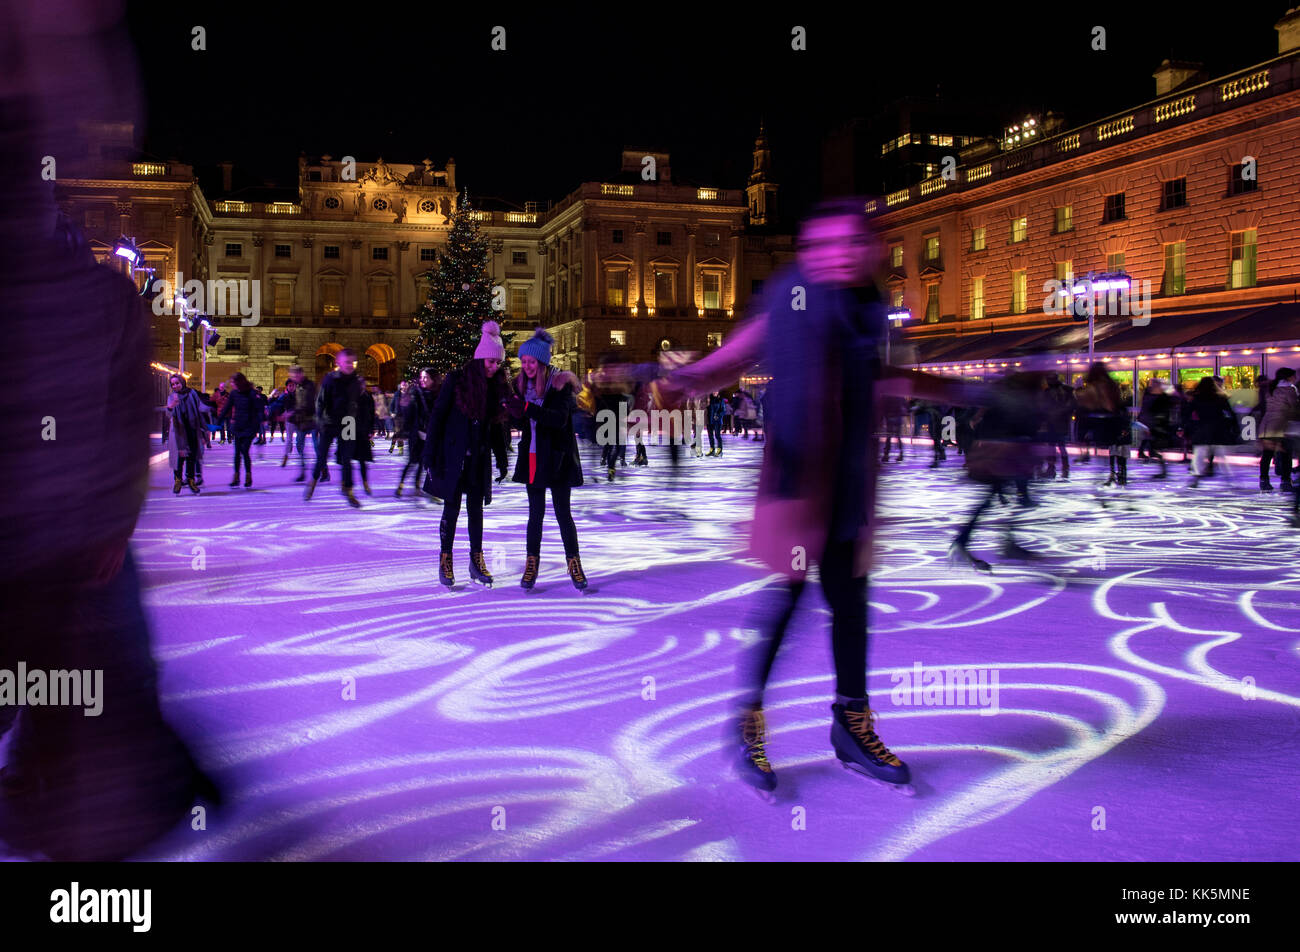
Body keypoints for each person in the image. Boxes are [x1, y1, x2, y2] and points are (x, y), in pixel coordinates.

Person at [654, 199, 968, 796]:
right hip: (799, 480)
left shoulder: (868, 305)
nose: (841, 253)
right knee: (789, 600)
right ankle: (748, 724)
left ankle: (852, 728)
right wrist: (687, 379)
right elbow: (742, 351)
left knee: (851, 606)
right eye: (827, 243)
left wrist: (970, 393)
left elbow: (888, 378)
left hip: (851, 481)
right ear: (810, 250)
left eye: (852, 242)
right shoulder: (790, 296)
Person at [425, 322, 511, 587]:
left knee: (476, 511)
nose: (493, 367)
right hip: (454, 456)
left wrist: (502, 457)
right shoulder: (457, 381)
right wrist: (430, 454)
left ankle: (476, 560)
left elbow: (496, 425)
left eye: (497, 363)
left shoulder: (495, 387)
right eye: (489, 361)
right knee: (451, 509)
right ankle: (445, 559)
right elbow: (437, 417)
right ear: (479, 358)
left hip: (479, 458)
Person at [505, 328, 589, 592]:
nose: (527, 366)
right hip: (532, 458)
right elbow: (522, 422)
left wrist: (528, 408)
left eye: (532, 361)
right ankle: (532, 564)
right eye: (524, 361)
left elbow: (558, 419)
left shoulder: (559, 385)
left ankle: (574, 564)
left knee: (563, 513)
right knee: (535, 515)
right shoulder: (520, 386)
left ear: (541, 362)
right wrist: (512, 412)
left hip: (558, 458)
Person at [306, 348, 363, 507]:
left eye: (352, 362)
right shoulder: (330, 379)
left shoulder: (356, 381)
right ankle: (314, 480)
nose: (350, 365)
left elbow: (359, 404)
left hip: (348, 423)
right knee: (322, 456)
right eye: (347, 362)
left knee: (347, 458)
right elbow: (320, 401)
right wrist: (321, 421)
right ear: (338, 363)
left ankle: (348, 489)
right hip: (329, 422)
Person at [1076, 364, 1130, 487]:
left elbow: (1104, 405)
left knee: (1108, 452)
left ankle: (1111, 475)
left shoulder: (1097, 387)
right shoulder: (1111, 385)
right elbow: (1115, 405)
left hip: (1105, 423)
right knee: (1116, 450)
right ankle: (1119, 475)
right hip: (1115, 422)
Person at [1186, 376, 1237, 487]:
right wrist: (1234, 426)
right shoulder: (1220, 398)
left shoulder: (1197, 398)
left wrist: (1185, 427)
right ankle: (1229, 477)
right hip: (1218, 428)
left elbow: (1187, 413)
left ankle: (1196, 476)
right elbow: (1230, 413)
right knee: (1221, 454)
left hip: (1203, 428)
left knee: (1199, 453)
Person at [395, 368, 436, 497]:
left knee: (423, 462)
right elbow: (408, 413)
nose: (423, 380)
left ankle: (417, 485)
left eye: (426, 377)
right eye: (422, 377)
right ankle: (401, 485)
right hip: (416, 433)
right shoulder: (415, 393)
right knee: (412, 461)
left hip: (429, 434)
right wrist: (403, 431)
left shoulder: (437, 394)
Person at [1260, 368, 1298, 492]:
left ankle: (1264, 480)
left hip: (1267, 424)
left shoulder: (1271, 388)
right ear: (1288, 377)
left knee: (1267, 454)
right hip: (1281, 424)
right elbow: (1294, 406)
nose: (1295, 378)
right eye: (1294, 376)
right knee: (1286, 454)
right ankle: (1285, 481)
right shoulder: (1290, 389)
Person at [218, 373, 259, 488]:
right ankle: (236, 477)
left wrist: (262, 421)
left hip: (249, 427)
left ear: (239, 382)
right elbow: (227, 407)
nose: (231, 384)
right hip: (238, 427)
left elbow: (257, 409)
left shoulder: (251, 393)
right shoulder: (234, 394)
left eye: (233, 382)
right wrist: (219, 420)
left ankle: (248, 476)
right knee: (237, 453)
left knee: (244, 451)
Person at [165, 373, 204, 494]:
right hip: (178, 432)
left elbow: (199, 411)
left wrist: (204, 430)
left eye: (177, 383)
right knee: (179, 458)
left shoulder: (192, 394)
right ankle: (177, 481)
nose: (175, 386)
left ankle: (191, 480)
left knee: (191, 457)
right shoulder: (172, 397)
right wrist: (171, 406)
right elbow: (168, 414)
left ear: (182, 382)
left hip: (192, 429)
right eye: (173, 384)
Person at [285, 364, 316, 481]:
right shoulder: (297, 386)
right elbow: (297, 403)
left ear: (301, 374)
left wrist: (292, 412)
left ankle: (323, 469)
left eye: (295, 375)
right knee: (299, 445)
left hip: (313, 420)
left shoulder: (310, 385)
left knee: (317, 446)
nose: (294, 378)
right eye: (292, 376)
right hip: (301, 421)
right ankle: (303, 471)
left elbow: (308, 403)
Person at [353, 375, 376, 495]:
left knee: (362, 461)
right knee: (346, 457)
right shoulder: (351, 396)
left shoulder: (368, 397)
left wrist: (371, 429)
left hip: (363, 431)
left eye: (362, 384)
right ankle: (347, 485)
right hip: (351, 430)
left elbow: (372, 414)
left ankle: (365, 483)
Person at [706, 391, 725, 456]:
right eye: (713, 391)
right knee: (710, 436)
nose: (715, 392)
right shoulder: (708, 399)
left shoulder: (720, 400)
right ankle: (712, 450)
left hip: (717, 421)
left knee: (717, 435)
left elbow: (723, 410)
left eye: (716, 391)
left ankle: (719, 450)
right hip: (709, 420)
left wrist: (718, 415)